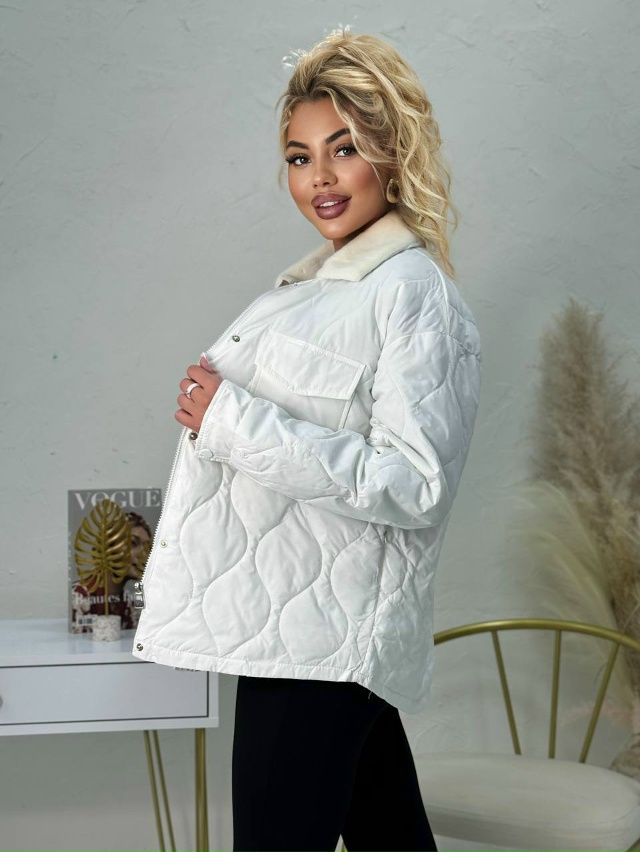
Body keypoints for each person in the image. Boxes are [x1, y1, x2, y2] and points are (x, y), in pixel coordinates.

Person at [132, 27, 481, 852]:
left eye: (343, 149)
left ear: (391, 154)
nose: (318, 177)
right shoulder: (321, 289)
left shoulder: (411, 293)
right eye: (299, 157)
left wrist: (231, 419)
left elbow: (414, 484)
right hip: (303, 633)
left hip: (322, 648)